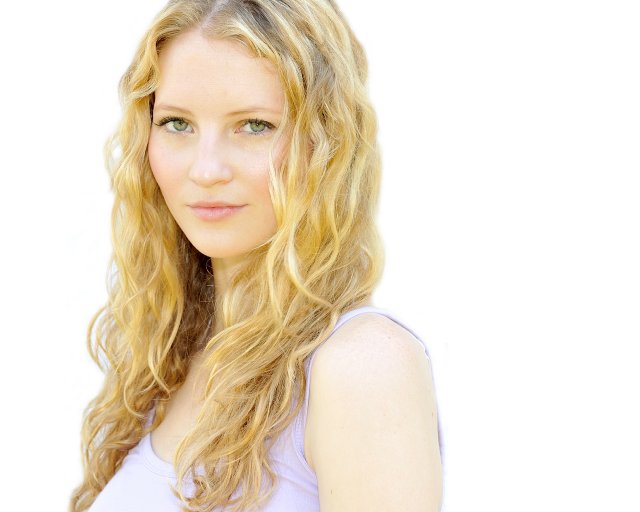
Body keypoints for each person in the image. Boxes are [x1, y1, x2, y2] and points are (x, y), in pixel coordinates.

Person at [70, 0, 443, 511]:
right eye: (177, 123)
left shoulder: (361, 366)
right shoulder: (167, 360)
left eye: (254, 125)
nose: (206, 170)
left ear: (325, 142)